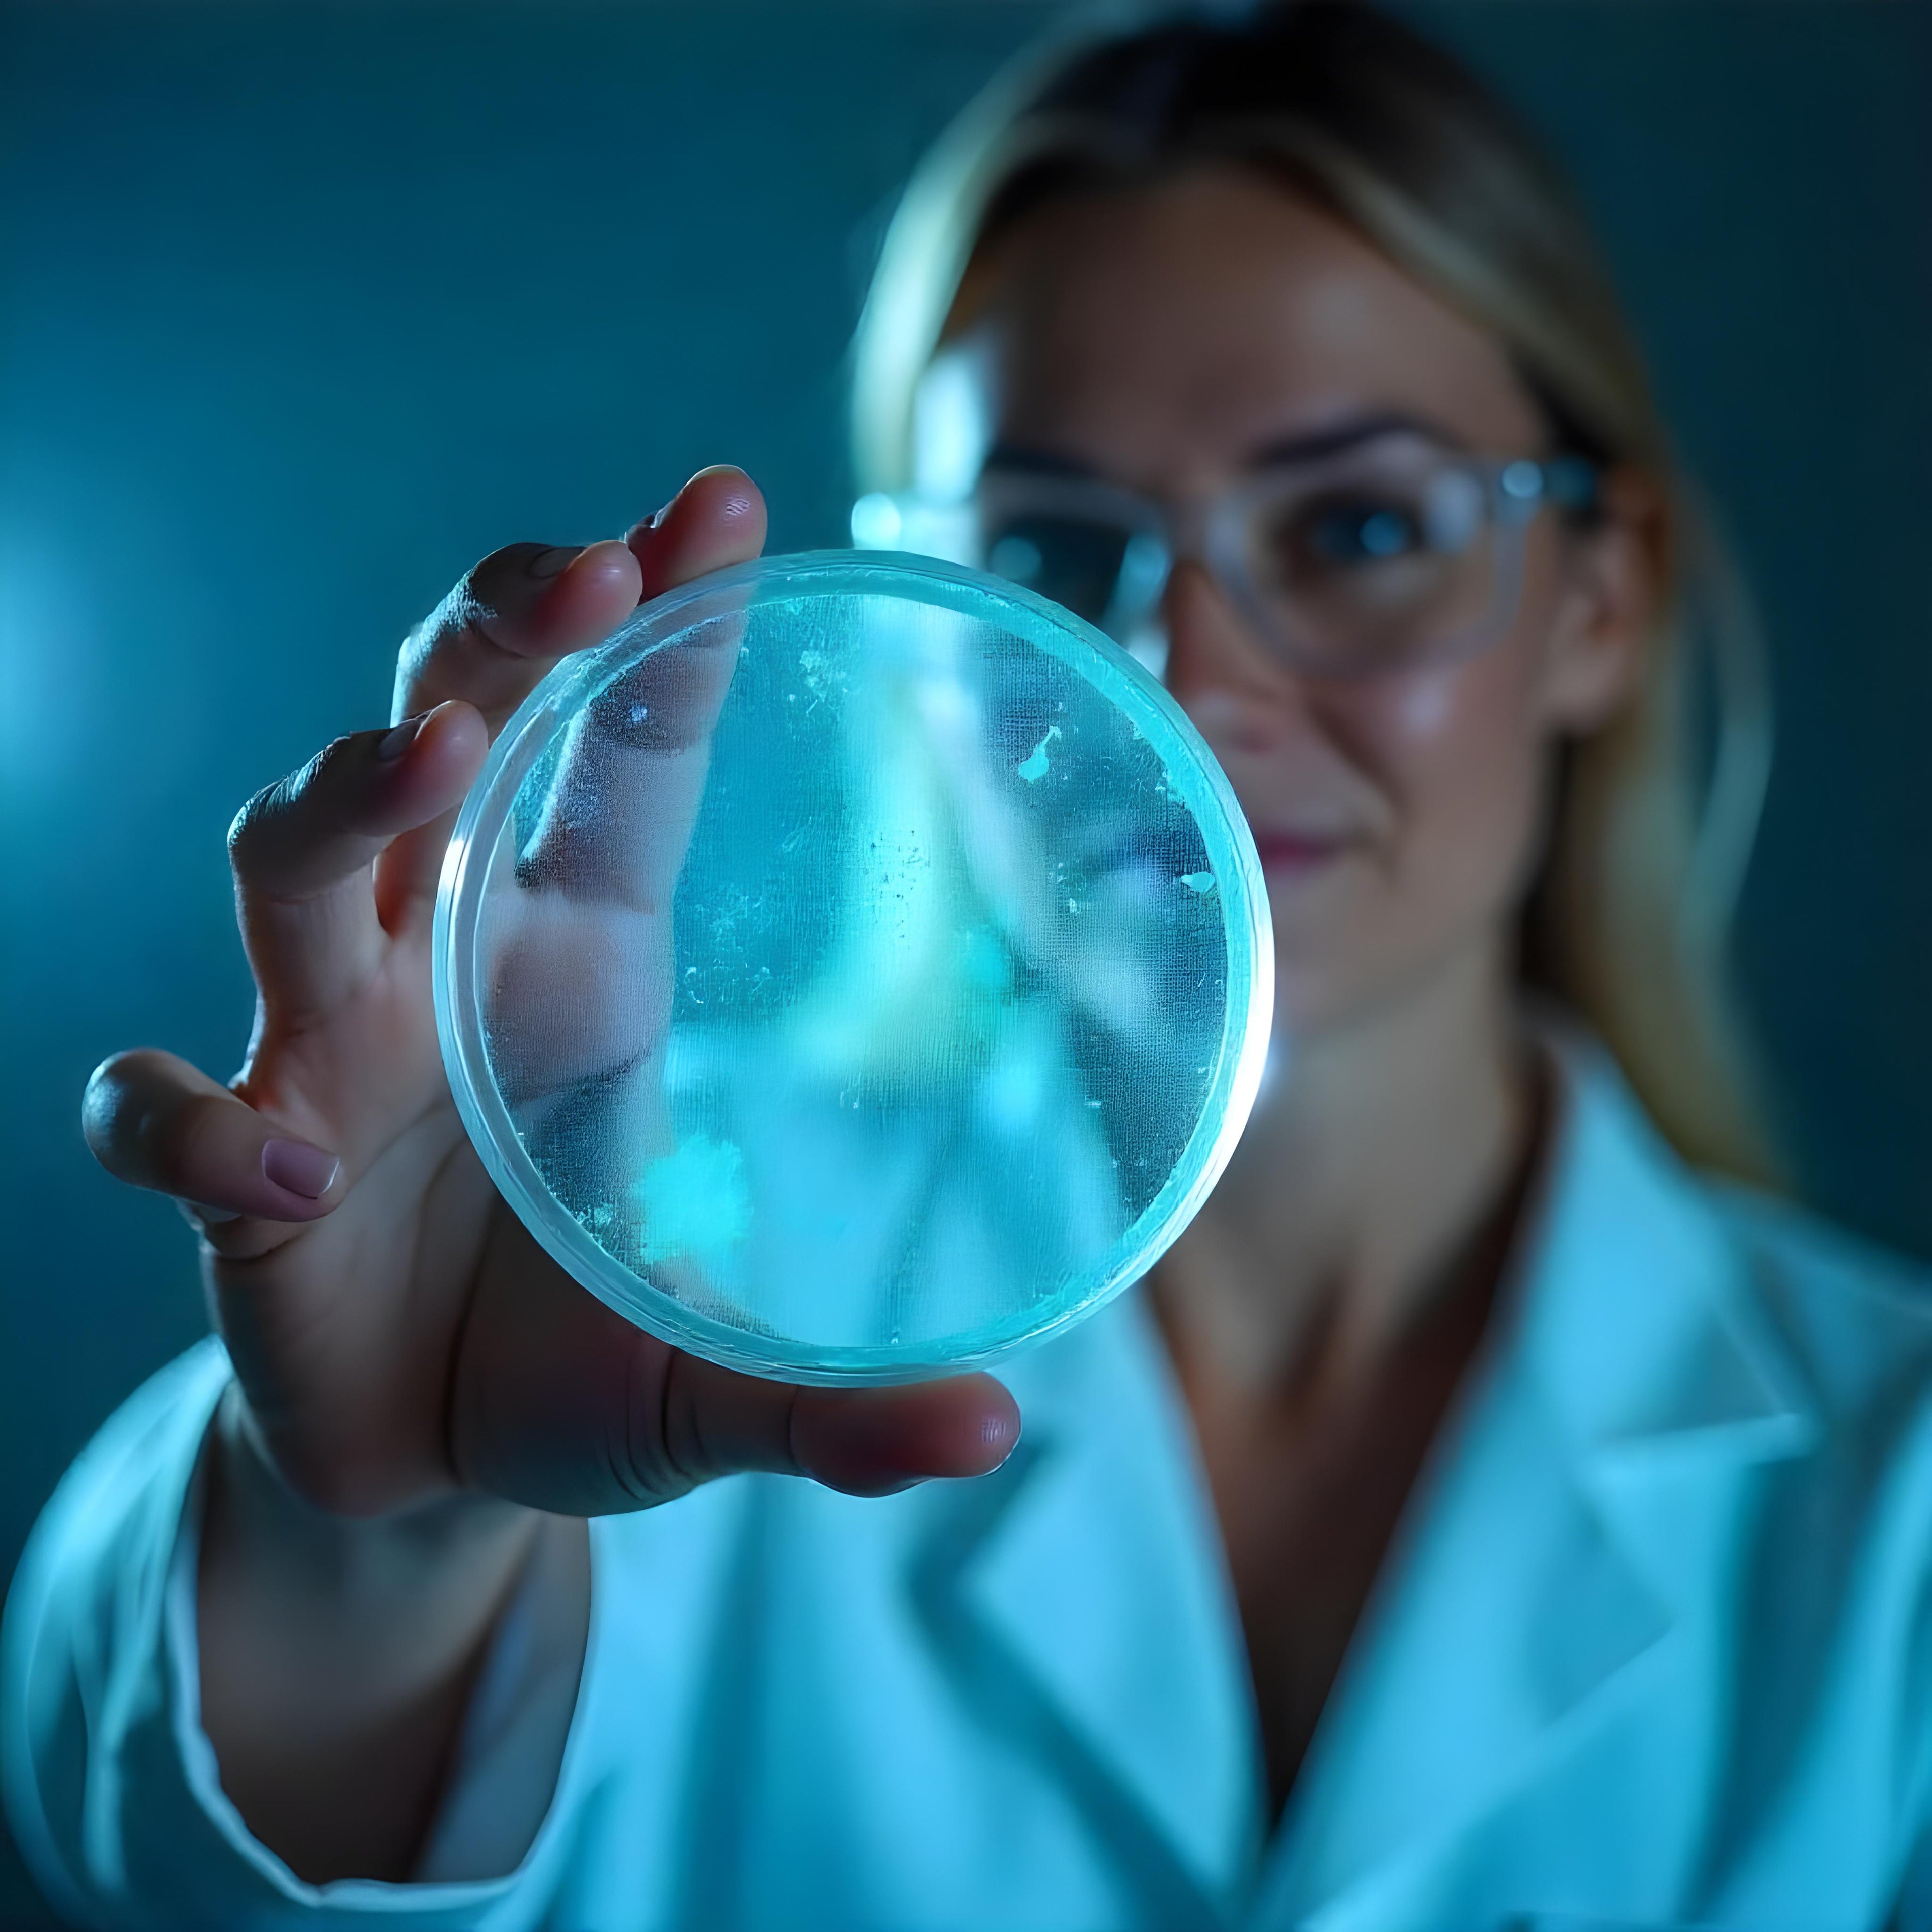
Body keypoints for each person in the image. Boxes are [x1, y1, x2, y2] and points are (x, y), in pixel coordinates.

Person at [8, 3, 1932, 1924]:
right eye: (1053, 556)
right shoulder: (619, 1251)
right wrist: (367, 1538)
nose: (1192, 684)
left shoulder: (1897, 1502)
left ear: (1605, 601)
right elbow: (152, 1864)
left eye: (1357, 524)